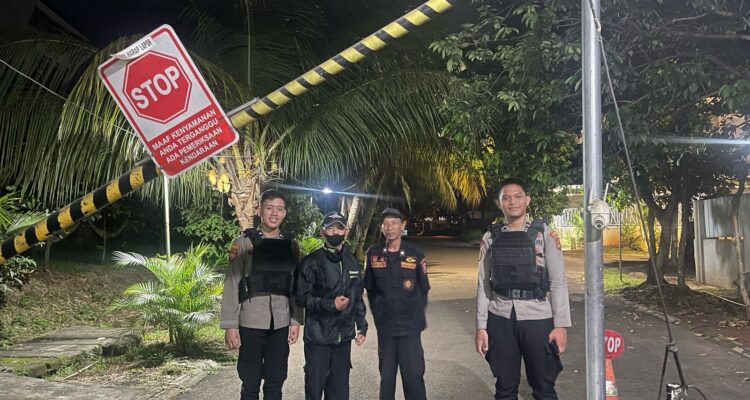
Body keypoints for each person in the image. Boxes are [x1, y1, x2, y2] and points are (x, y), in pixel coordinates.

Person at [475, 178, 571, 400]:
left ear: (527, 200)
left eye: (518, 197)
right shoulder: (490, 237)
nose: (512, 202)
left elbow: (558, 281)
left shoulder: (545, 234)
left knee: (544, 389)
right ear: (499, 203)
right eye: (506, 198)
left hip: (538, 318)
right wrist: (481, 327)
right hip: (500, 318)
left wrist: (560, 326)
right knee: (505, 388)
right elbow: (483, 284)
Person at [219, 189, 303, 400]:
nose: (274, 213)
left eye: (279, 209)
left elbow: (295, 284)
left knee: (276, 380)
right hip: (251, 321)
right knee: (250, 382)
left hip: (280, 321)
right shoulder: (243, 243)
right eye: (269, 208)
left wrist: (295, 320)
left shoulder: (291, 245)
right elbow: (231, 284)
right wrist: (230, 325)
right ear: (260, 211)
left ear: (285, 213)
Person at [294, 211, 368, 400]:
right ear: (323, 231)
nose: (335, 232)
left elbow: (357, 296)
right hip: (318, 339)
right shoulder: (311, 262)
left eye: (339, 228)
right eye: (330, 228)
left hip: (343, 339)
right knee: (314, 391)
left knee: (339, 393)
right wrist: (330, 305)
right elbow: (301, 298)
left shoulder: (352, 261)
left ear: (346, 231)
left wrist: (362, 326)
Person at [364, 208, 430, 400]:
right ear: (381, 228)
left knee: (414, 378)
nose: (390, 227)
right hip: (386, 329)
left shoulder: (415, 253)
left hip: (410, 329)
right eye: (386, 224)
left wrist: (414, 314)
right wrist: (379, 313)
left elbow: (423, 289)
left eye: (394, 222)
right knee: (386, 379)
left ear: (402, 226)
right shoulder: (373, 254)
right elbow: (370, 289)